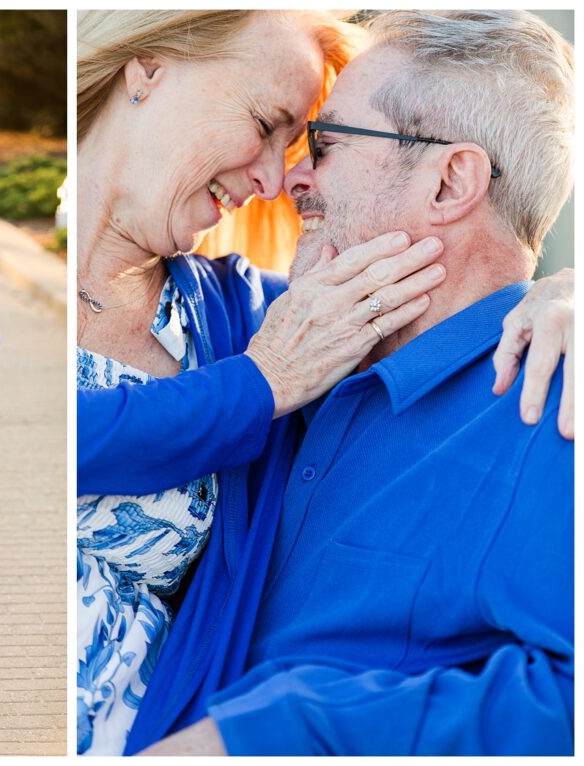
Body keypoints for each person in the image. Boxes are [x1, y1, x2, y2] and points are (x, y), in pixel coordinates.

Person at [74, 10, 575, 756]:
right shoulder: (292, 354)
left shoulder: (552, 407)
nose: (286, 180)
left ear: (450, 181)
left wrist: (277, 732)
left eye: (325, 144)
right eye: (277, 129)